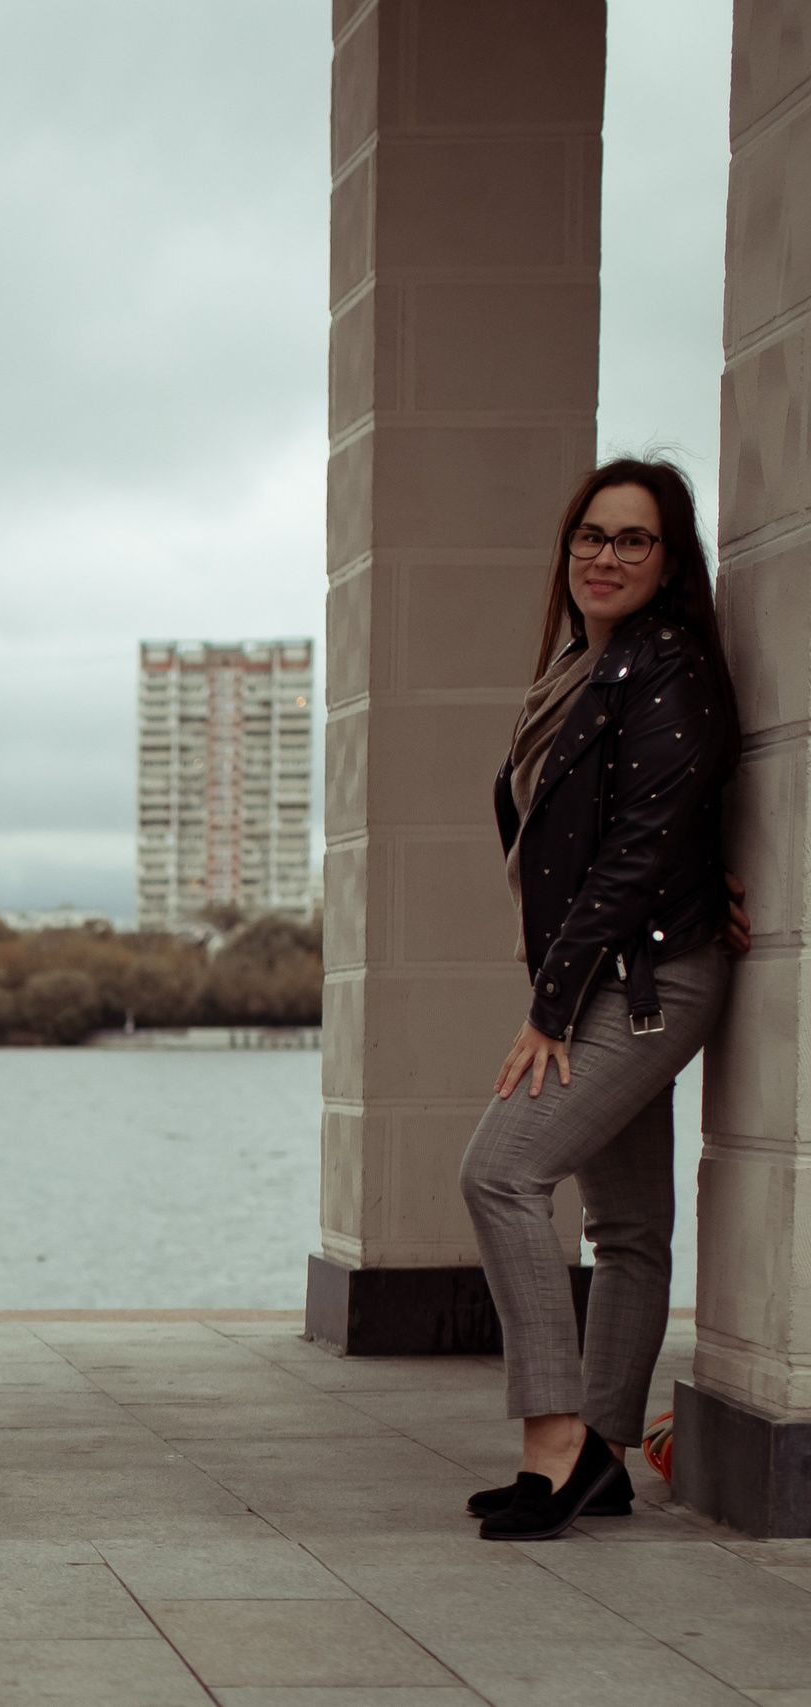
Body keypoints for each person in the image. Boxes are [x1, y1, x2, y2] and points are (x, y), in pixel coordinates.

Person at [459, 457, 745, 1542]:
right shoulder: (584, 669)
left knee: (497, 1171)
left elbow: (637, 846)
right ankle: (609, 1460)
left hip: (643, 978)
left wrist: (549, 1002)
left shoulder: (665, 665)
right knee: (626, 1225)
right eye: (589, 534)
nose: (604, 556)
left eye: (632, 539)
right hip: (612, 966)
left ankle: (556, 1444)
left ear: (669, 563)